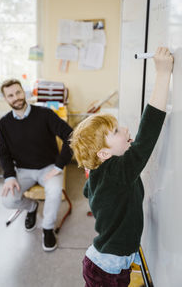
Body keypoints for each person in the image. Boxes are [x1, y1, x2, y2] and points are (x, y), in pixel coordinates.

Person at [70, 47, 173, 287]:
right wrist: (163, 74)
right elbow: (146, 135)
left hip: (105, 263)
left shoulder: (103, 172)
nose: (126, 130)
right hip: (108, 271)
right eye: (116, 131)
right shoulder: (117, 173)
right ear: (104, 153)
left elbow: (89, 190)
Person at [0, 79, 73, 251]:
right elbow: (4, 152)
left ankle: (47, 229)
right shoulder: (4, 123)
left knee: (54, 192)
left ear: (24, 92)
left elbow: (71, 136)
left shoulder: (45, 114)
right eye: (10, 95)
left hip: (49, 168)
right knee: (8, 200)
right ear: (5, 99)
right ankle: (31, 206)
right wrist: (9, 176)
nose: (15, 97)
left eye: (18, 92)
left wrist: (59, 166)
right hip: (23, 170)